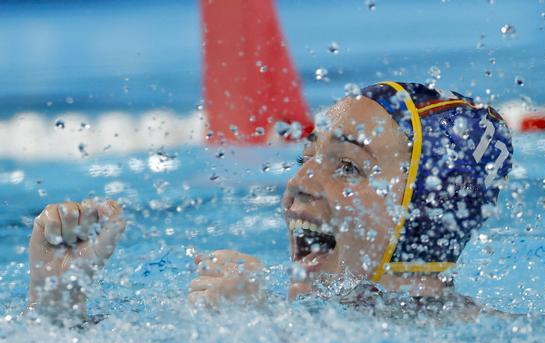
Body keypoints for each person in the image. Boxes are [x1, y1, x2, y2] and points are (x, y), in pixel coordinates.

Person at [26, 82, 513, 321]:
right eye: (305, 157)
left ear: (422, 213)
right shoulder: (308, 319)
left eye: (347, 166)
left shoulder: (480, 342)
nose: (297, 184)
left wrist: (256, 332)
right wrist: (58, 300)